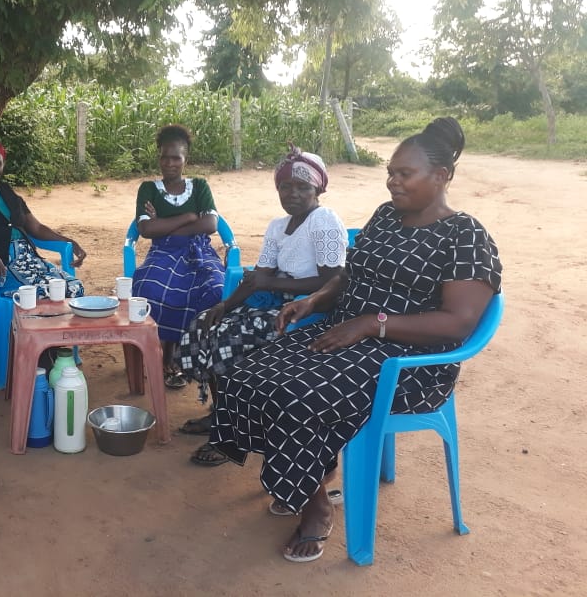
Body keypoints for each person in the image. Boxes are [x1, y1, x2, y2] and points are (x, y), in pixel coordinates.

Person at [204, 117, 502, 563]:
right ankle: (310, 479)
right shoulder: (386, 218)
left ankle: (316, 507)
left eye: (405, 174)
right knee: (247, 372)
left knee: (297, 394)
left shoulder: (466, 236)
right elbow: (348, 276)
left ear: (441, 177)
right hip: (345, 334)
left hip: (408, 362)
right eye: (391, 172)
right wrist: (315, 301)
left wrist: (370, 324)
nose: (392, 182)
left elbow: (457, 323)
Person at [179, 146, 347, 464]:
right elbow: (259, 277)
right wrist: (225, 305)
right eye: (286, 186)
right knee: (206, 324)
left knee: (228, 339)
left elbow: (331, 282)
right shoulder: (277, 226)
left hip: (308, 309)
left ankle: (234, 435)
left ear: (318, 189)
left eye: (302, 187)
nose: (293, 193)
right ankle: (222, 416)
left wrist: (273, 284)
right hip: (274, 300)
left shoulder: (324, 220)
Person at [131, 124, 225, 389]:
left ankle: (189, 357)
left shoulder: (200, 186)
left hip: (199, 251)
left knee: (216, 289)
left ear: (186, 160)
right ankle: (164, 354)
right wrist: (187, 216)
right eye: (164, 157)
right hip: (164, 250)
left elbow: (210, 226)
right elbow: (147, 229)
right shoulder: (148, 188)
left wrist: (165, 222)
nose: (169, 163)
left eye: (176, 158)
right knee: (148, 288)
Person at [0, 139, 86, 299]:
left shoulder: (7, 192)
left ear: (3, 165)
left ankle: (54, 324)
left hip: (30, 261)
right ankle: (20, 324)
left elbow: (37, 228)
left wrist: (70, 242)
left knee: (74, 287)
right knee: (42, 294)